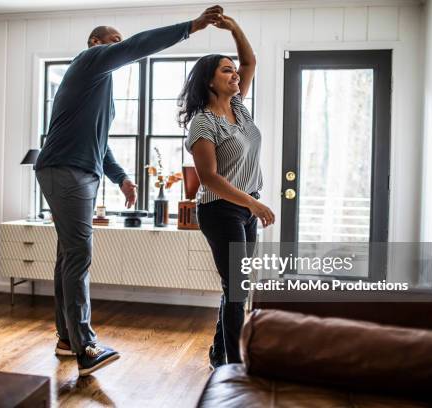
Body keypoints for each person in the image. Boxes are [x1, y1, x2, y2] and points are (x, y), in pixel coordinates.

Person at [34, 5, 225, 377]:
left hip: (76, 172)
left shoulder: (99, 88)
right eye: (113, 41)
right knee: (78, 255)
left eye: (118, 43)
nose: (119, 47)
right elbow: (138, 44)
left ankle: (66, 338)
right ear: (95, 43)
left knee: (68, 256)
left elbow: (99, 143)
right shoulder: (89, 62)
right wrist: (192, 26)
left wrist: (120, 177)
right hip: (66, 171)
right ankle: (86, 345)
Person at [179, 15, 275, 368]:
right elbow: (209, 178)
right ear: (209, 81)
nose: (235, 74)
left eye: (234, 71)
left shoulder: (238, 107)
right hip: (220, 210)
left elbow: (250, 62)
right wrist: (253, 203)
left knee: (237, 287)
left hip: (246, 208)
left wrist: (233, 29)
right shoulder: (203, 122)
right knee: (237, 289)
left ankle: (221, 355)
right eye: (225, 71)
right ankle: (235, 367)